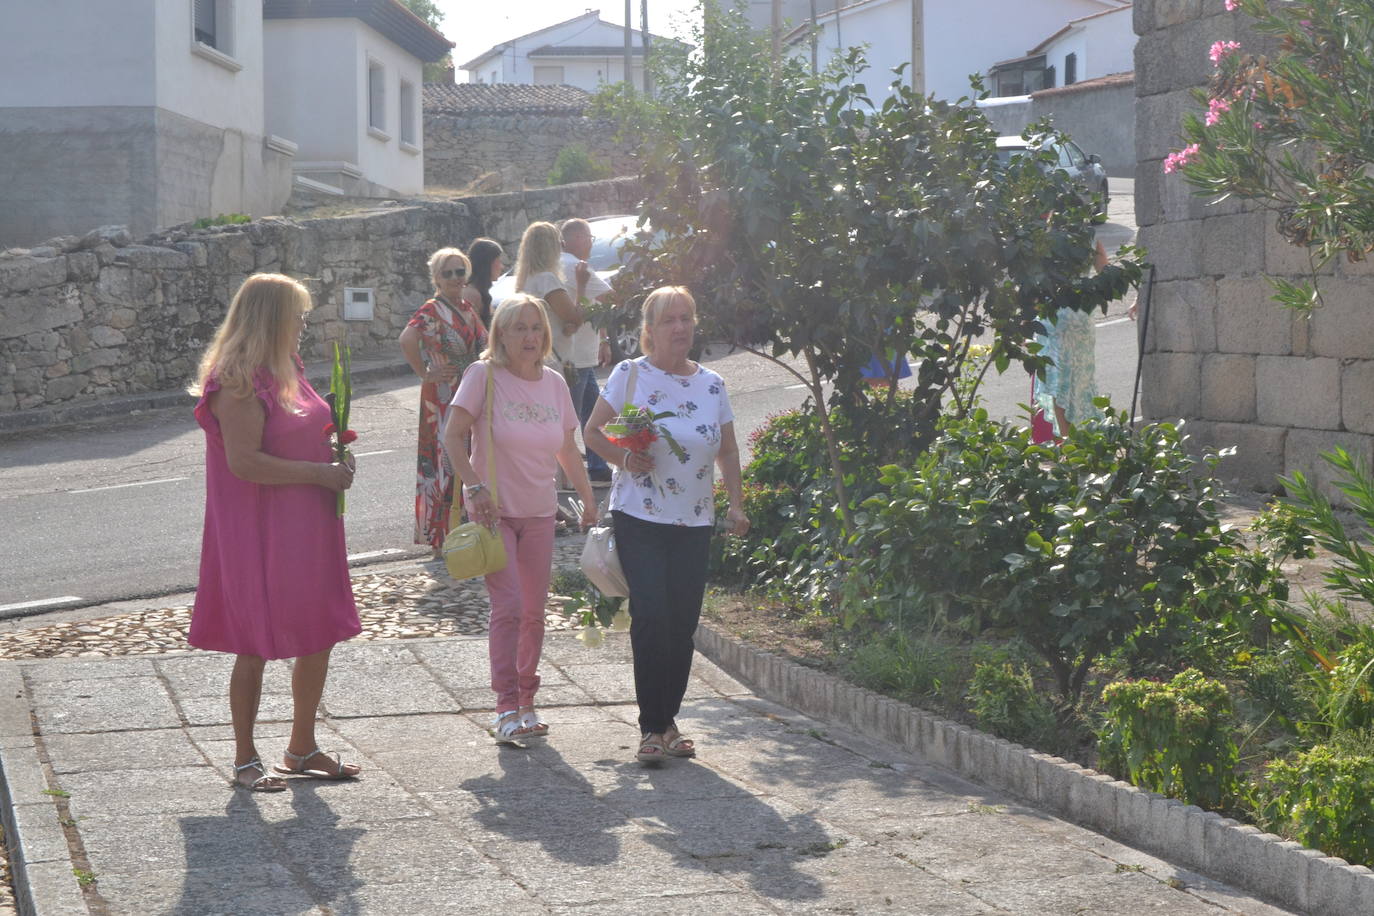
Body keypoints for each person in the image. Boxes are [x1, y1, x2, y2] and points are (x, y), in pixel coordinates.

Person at [188, 273, 362, 791]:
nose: (304, 324)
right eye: (298, 315)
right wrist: (317, 473)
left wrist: (335, 459)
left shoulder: (289, 369)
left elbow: (305, 433)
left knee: (318, 630)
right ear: (271, 318)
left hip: (308, 523)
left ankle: (301, 747)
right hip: (260, 530)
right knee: (256, 640)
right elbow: (245, 463)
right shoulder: (238, 378)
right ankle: (245, 759)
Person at [584, 286, 750, 764]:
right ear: (649, 330)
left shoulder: (712, 384)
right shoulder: (631, 374)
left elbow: (729, 449)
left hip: (696, 520)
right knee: (652, 616)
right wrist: (623, 459)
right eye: (669, 320)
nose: (680, 328)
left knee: (682, 624)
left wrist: (735, 504)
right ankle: (651, 727)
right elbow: (593, 431)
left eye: (687, 319)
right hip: (640, 516)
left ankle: (669, 720)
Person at [442, 293, 597, 742]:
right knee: (508, 607)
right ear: (501, 335)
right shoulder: (482, 375)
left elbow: (567, 449)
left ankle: (528, 699)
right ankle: (505, 705)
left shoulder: (553, 382)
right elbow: (452, 435)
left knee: (533, 612)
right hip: (495, 513)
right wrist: (474, 484)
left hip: (541, 512)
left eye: (536, 327)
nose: (530, 336)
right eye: (519, 328)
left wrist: (588, 500)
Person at [399, 248, 488, 556]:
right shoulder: (432, 309)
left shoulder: (465, 306)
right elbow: (406, 339)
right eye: (447, 273)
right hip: (443, 396)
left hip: (467, 392)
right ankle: (441, 539)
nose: (454, 278)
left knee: (467, 458)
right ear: (436, 277)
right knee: (442, 464)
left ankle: (464, 530)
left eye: (459, 271)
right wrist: (425, 372)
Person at [1032, 240, 1110, 440]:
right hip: (1081, 313)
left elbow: (1032, 280)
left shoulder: (1043, 237)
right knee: (1082, 380)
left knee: (1058, 381)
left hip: (1054, 313)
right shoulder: (1088, 237)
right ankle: (1085, 438)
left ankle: (1066, 445)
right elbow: (1106, 273)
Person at [559, 218, 615, 482]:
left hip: (578, 355)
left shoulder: (560, 264)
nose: (591, 243)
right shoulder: (574, 266)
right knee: (573, 417)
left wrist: (603, 340)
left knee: (591, 413)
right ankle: (571, 475)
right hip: (576, 359)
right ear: (578, 238)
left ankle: (597, 466)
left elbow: (595, 305)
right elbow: (609, 298)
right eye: (589, 237)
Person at [466, 237, 504, 328]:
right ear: (488, 263)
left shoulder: (480, 292)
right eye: (499, 260)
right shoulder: (472, 294)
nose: (502, 266)